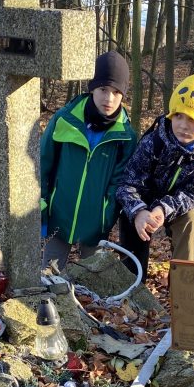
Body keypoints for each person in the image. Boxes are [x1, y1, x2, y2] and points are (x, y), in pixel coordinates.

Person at [116, 70, 194, 277]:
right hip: (144, 200)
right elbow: (127, 183)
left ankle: (186, 289)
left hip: (180, 203)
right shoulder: (154, 141)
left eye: (193, 119)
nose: (183, 125)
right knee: (129, 218)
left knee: (191, 221)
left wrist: (164, 208)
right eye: (178, 116)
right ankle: (132, 287)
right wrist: (138, 211)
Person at [40, 51, 137, 270]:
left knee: (91, 283)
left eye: (116, 92)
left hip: (96, 224)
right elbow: (42, 164)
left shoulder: (126, 136)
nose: (108, 98)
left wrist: (106, 217)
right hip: (59, 216)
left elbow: (119, 183)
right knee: (48, 276)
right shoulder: (65, 120)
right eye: (103, 89)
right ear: (92, 87)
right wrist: (43, 206)